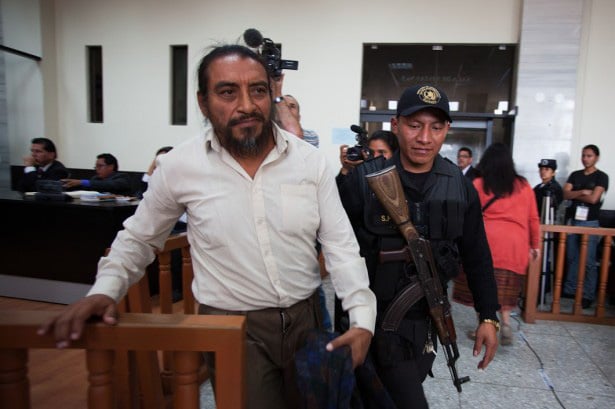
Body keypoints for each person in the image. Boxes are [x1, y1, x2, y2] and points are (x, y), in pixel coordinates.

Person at [40, 44, 376, 409]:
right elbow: (139, 238)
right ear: (203, 103)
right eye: (228, 92)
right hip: (232, 326)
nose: (246, 105)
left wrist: (361, 319)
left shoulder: (308, 162)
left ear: (271, 95)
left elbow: (341, 246)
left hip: (307, 319)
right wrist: (104, 290)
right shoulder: (180, 166)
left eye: (258, 90)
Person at [337, 84, 499, 408]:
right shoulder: (363, 182)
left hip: (425, 326)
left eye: (436, 127)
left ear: (447, 130)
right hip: (370, 321)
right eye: (414, 125)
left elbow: (477, 256)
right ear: (396, 125)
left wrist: (489, 316)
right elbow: (331, 246)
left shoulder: (461, 189)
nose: (425, 138)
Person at [455, 143, 540, 345]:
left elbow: (465, 214)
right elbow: (533, 218)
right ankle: (506, 322)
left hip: (487, 239)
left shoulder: (478, 183)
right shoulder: (524, 185)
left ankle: (483, 327)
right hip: (515, 245)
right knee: (507, 286)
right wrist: (535, 244)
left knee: (482, 282)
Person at [562, 144, 609, 309]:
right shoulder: (575, 175)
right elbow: (565, 194)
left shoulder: (602, 176)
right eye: (583, 155)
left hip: (590, 222)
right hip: (573, 221)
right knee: (572, 258)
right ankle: (570, 290)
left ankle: (588, 294)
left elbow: (594, 199)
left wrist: (575, 194)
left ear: (596, 157)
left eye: (589, 155)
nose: (585, 158)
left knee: (588, 261)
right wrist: (582, 192)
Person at [62, 153, 132, 195]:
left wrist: (82, 182)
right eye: (96, 166)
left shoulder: (123, 177)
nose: (97, 169)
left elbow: (108, 185)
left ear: (111, 167)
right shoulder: (96, 178)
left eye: (100, 166)